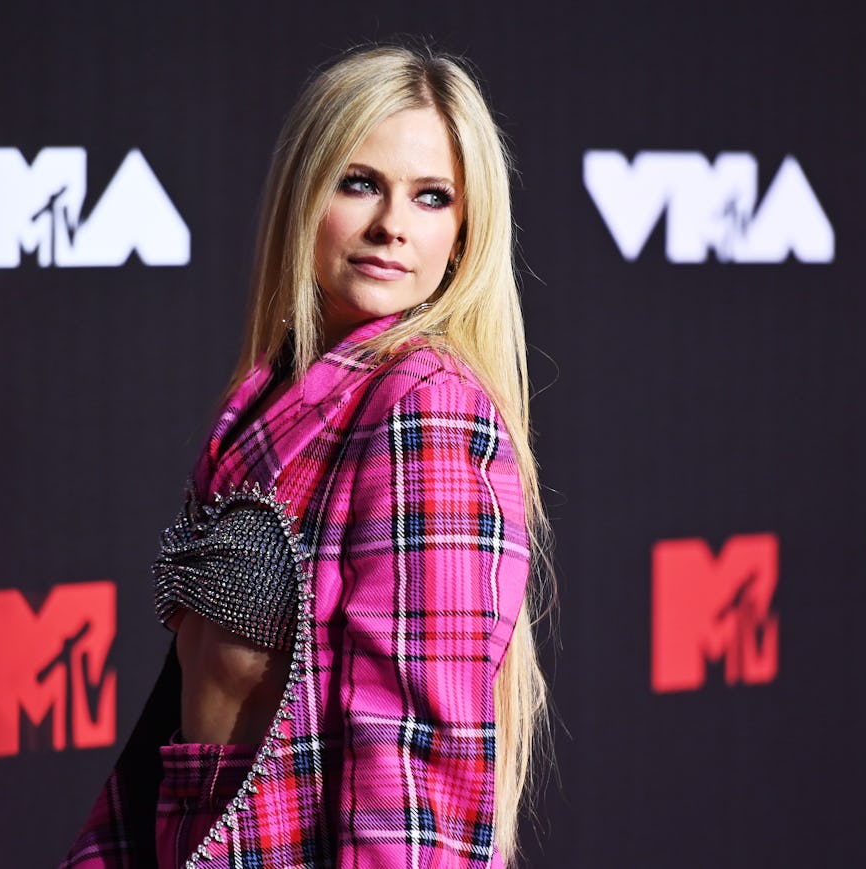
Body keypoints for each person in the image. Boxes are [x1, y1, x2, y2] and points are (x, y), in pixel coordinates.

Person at [61, 43, 551, 868]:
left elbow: (413, 749)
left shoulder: (424, 403)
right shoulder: (265, 395)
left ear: (465, 234)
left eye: (432, 197)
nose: (392, 224)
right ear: (304, 192)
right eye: (360, 183)